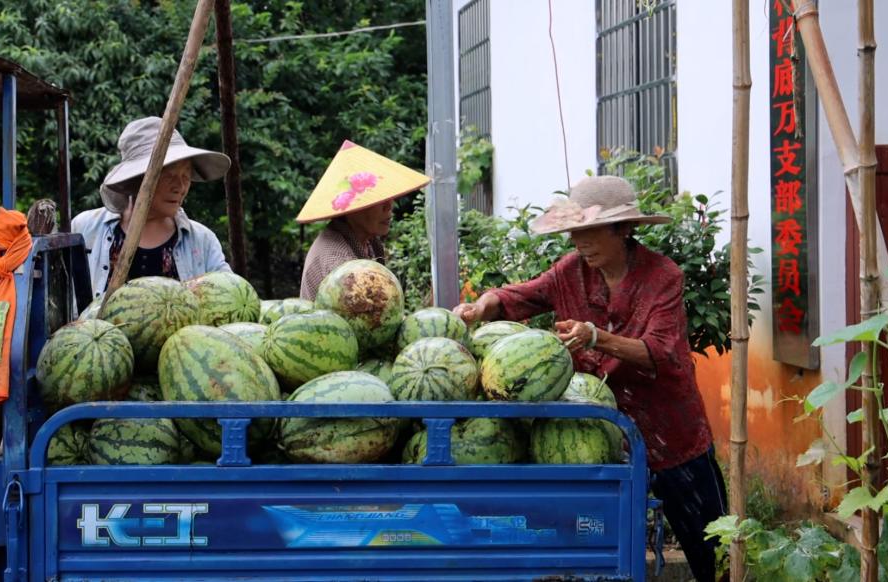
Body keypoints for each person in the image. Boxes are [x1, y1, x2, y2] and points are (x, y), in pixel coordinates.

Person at [453, 175, 727, 582]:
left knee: (712, 548)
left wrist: (598, 337)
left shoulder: (662, 276)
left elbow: (661, 352)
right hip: (599, 431)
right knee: (607, 548)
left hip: (669, 429)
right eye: (574, 232)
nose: (579, 242)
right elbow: (522, 296)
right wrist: (483, 306)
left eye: (590, 231)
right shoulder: (570, 271)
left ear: (625, 229)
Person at [71, 116, 232, 300]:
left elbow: (230, 296)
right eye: (169, 175)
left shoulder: (202, 241)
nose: (179, 187)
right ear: (137, 178)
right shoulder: (85, 229)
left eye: (186, 176)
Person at [296, 141, 429, 299]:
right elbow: (368, 319)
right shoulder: (340, 263)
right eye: (378, 200)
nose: (389, 207)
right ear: (353, 209)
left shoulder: (366, 241)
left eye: (389, 198)